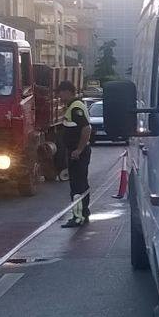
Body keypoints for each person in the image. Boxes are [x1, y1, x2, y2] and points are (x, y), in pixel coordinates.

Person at [58, 80, 92, 227]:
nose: (59, 96)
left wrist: (78, 149)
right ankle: (84, 213)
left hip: (77, 153)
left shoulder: (75, 107)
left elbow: (86, 129)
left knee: (77, 185)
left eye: (60, 92)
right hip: (76, 152)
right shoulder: (73, 106)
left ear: (67, 92)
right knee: (81, 183)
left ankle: (78, 217)